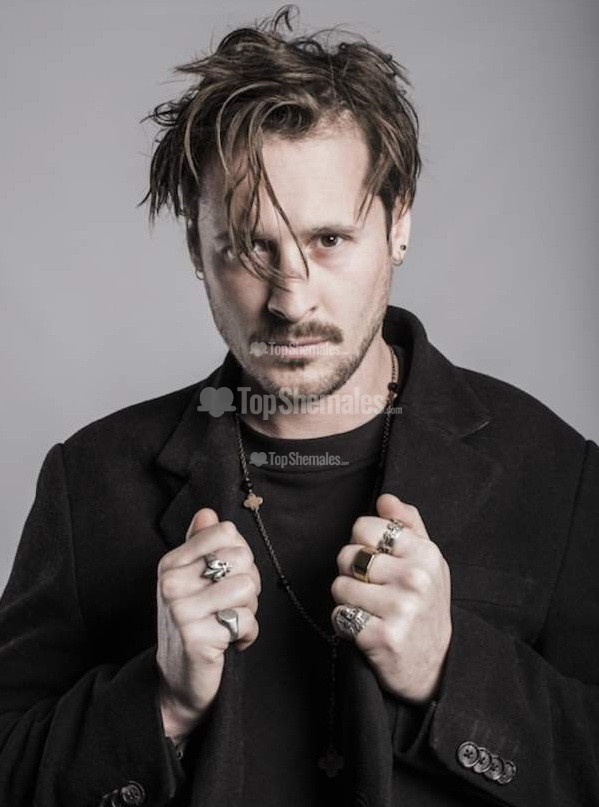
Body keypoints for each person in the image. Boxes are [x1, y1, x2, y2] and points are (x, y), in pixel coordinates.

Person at [1, 5, 598, 806]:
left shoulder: (554, 471)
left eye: (328, 240)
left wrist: (451, 672)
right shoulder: (90, 481)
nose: (290, 299)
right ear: (197, 248)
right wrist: (161, 699)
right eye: (250, 246)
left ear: (398, 223)